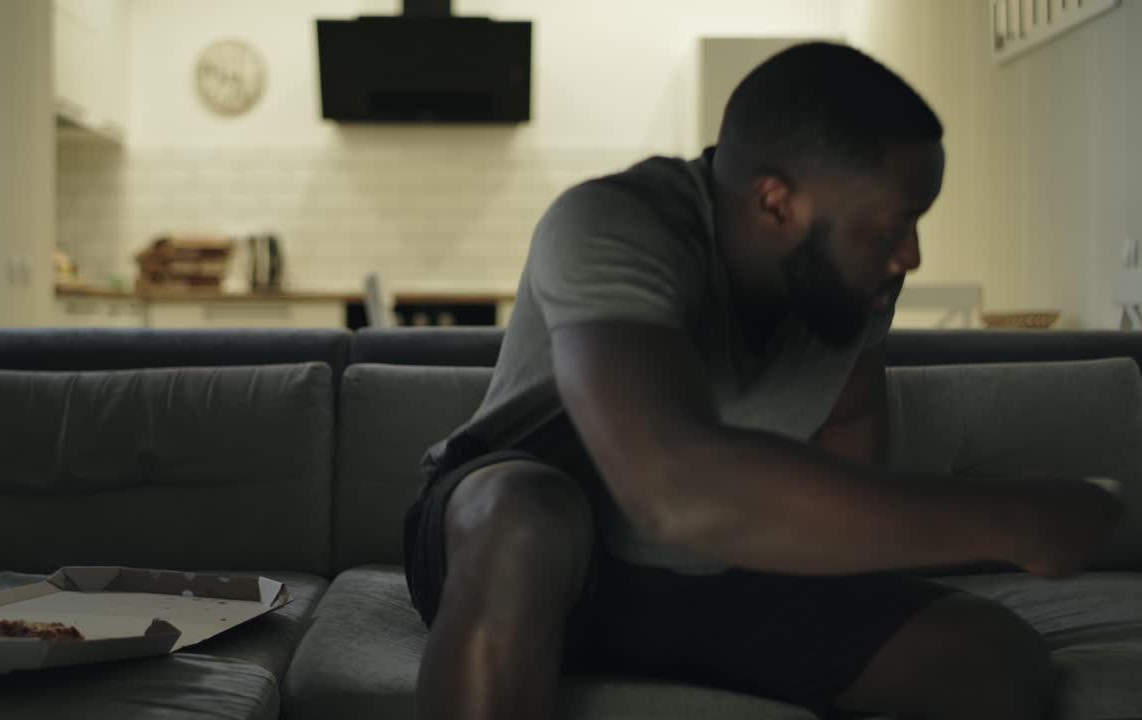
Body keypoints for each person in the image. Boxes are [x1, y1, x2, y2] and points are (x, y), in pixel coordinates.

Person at [403, 42, 1125, 720]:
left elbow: (848, 446)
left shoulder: (853, 283)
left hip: (716, 570)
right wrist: (1015, 520)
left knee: (996, 661)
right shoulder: (612, 222)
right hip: (527, 558)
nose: (911, 254)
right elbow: (670, 489)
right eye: (893, 227)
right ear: (777, 202)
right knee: (526, 513)